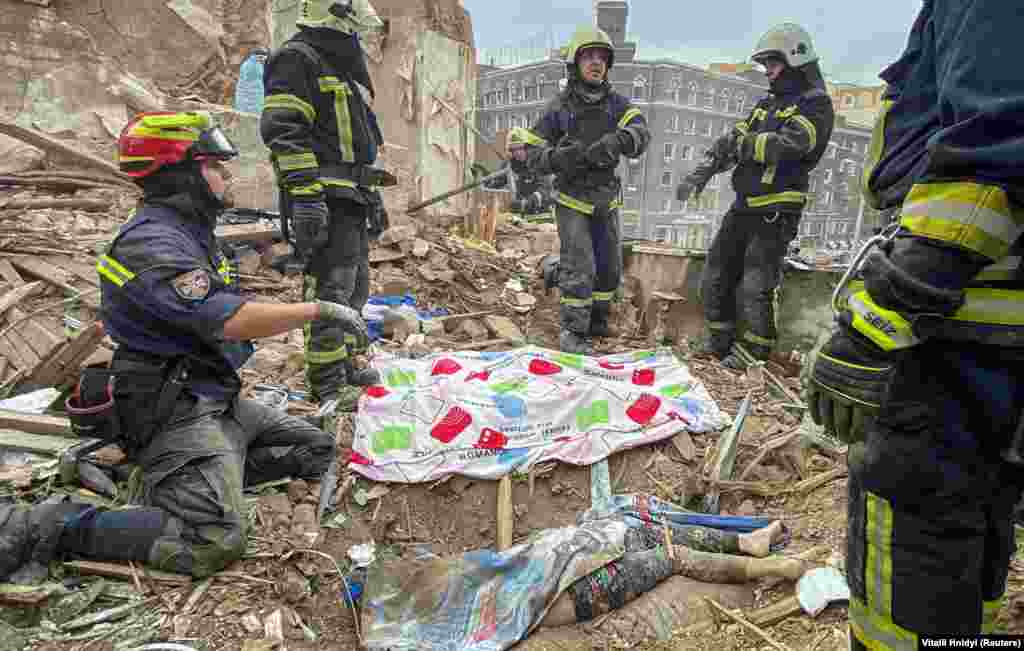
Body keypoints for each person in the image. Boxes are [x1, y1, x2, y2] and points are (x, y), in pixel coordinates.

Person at [4, 110, 370, 581]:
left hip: (214, 397)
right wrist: (321, 310)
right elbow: (229, 318)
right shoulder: (152, 243)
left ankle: (185, 477)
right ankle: (56, 525)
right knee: (214, 539)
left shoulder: (187, 232)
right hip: (174, 406)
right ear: (182, 173)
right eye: (215, 165)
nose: (226, 174)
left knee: (316, 450)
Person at [806, 1, 1024, 643]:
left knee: (912, 534)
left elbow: (993, 161)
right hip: (993, 340)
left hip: (953, 338)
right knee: (981, 519)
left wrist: (874, 325)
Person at [261, 0, 393, 414]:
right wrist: (305, 195)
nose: (358, 37)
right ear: (335, 16)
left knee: (355, 288)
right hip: (324, 197)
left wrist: (373, 196)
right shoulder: (296, 59)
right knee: (330, 290)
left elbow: (354, 145)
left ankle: (349, 364)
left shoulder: (338, 67)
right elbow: (284, 132)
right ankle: (328, 384)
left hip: (351, 197)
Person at [677, 24, 834, 369]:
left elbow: (791, 146)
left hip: (777, 210)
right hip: (744, 205)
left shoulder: (816, 106)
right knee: (716, 275)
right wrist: (699, 175)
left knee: (755, 286)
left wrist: (746, 145)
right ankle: (718, 341)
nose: (769, 72)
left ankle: (754, 352)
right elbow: (730, 142)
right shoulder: (768, 105)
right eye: (766, 66)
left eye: (773, 64)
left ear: (795, 60)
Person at [515, 25, 650, 355]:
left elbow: (641, 132)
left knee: (609, 268)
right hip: (572, 200)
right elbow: (529, 152)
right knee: (580, 266)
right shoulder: (558, 108)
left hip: (606, 199)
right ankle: (573, 332)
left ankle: (597, 320)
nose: (596, 62)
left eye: (601, 57)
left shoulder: (618, 104)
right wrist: (557, 158)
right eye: (588, 56)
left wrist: (618, 140)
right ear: (575, 63)